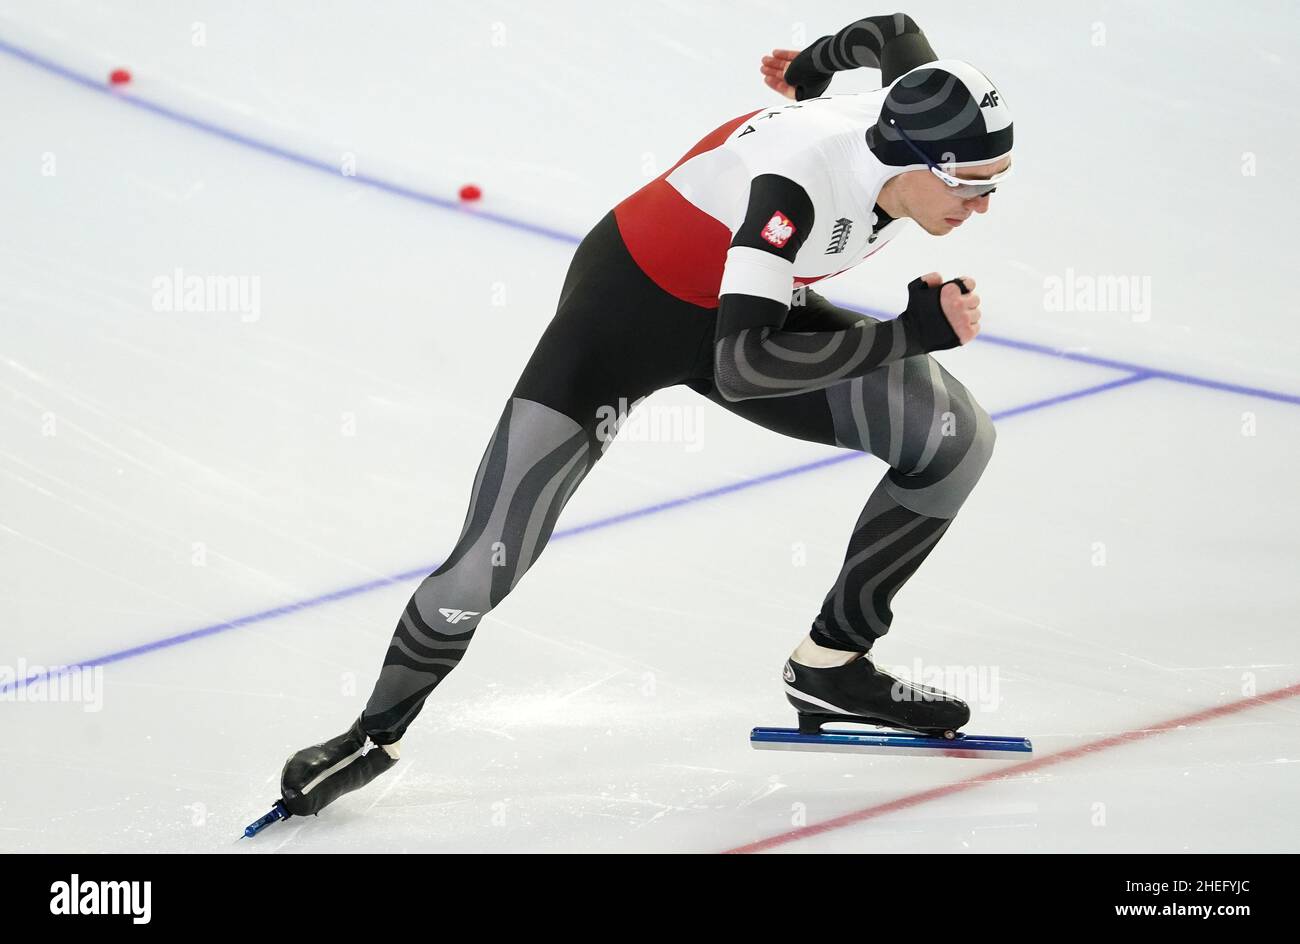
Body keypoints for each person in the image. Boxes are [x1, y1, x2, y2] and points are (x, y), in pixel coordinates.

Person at [275, 12, 1014, 818]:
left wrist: (809, 67)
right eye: (971, 184)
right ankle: (370, 735)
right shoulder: (794, 186)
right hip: (624, 320)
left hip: (749, 304)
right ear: (910, 155)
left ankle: (832, 662)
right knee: (489, 558)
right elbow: (741, 365)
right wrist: (908, 333)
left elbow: (889, 28)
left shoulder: (918, 97)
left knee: (955, 440)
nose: (981, 206)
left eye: (994, 182)